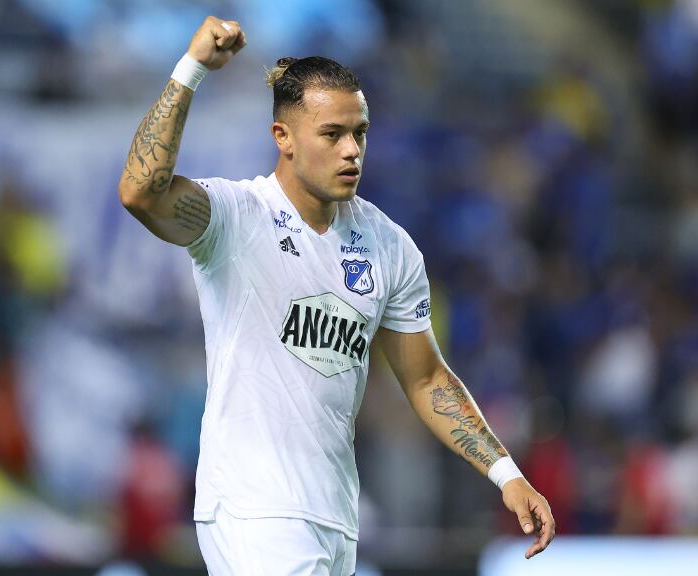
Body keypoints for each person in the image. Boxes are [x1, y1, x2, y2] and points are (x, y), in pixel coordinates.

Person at [118, 16, 555, 576]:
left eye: (360, 133)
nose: (352, 150)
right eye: (332, 134)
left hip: (335, 516)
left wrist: (506, 474)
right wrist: (192, 68)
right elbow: (140, 192)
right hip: (255, 509)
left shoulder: (388, 246)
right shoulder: (236, 216)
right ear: (283, 138)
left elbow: (426, 379)